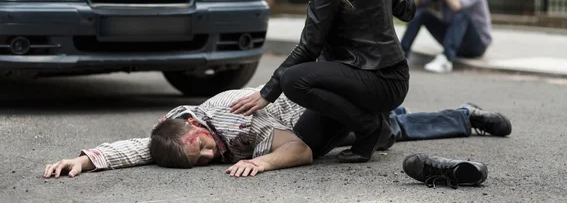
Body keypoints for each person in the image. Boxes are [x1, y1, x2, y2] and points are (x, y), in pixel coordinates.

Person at [43, 86, 512, 179]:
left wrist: (262, 162)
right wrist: (82, 160)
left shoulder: (230, 116)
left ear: (193, 125)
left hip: (315, 114)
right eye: (200, 161)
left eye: (201, 149)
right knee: (395, 125)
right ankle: (462, 115)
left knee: (389, 130)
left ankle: (464, 115)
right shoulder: (176, 132)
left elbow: (298, 149)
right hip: (318, 121)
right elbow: (139, 148)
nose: (208, 157)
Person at [229, 0, 417, 163]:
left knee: (292, 80)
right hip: (384, 81)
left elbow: (308, 48)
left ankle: (370, 128)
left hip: (380, 80)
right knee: (306, 143)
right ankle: (381, 129)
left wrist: (267, 93)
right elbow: (408, 12)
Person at [399, 0, 492, 73]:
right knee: (421, 14)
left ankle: (446, 59)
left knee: (461, 14)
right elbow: (413, 5)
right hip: (454, 38)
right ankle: (400, 56)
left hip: (476, 45)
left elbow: (457, 5)